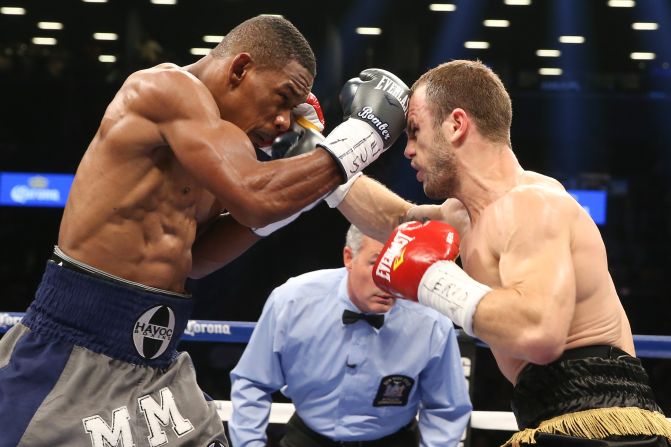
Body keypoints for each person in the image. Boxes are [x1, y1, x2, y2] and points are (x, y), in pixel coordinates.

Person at [0, 13, 411, 447]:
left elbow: (200, 257)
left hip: (156, 363)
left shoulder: (222, 148)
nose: (283, 123)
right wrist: (363, 135)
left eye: (293, 111)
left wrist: (302, 192)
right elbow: (257, 198)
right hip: (73, 355)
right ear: (240, 69)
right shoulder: (165, 89)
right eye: (282, 99)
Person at [330, 60, 671, 446]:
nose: (407, 150)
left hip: (606, 429)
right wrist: (325, 153)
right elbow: (394, 219)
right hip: (545, 421)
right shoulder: (463, 215)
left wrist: (434, 280)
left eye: (414, 132)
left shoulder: (534, 204)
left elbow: (539, 333)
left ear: (456, 124)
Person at [228, 224, 472, 447]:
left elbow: (447, 408)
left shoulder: (429, 319)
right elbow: (253, 382)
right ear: (349, 258)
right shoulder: (292, 301)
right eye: (377, 264)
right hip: (309, 438)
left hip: (393, 440)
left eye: (398, 266)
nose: (388, 281)